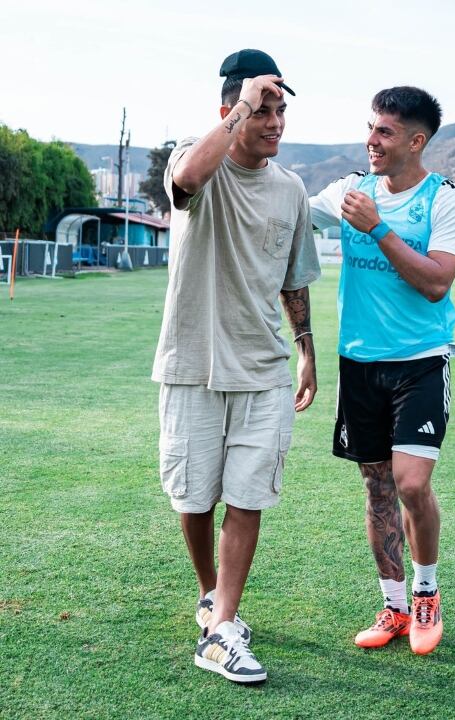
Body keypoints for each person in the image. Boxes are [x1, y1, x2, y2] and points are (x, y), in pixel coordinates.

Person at [157, 49, 320, 684]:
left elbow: (293, 279)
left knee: (248, 497)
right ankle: (211, 596)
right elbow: (188, 183)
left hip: (264, 370)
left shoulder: (292, 190)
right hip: (192, 364)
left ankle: (222, 623)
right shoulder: (195, 158)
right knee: (194, 496)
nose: (275, 123)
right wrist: (243, 100)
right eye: (264, 110)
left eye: (281, 111)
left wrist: (306, 351)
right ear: (232, 111)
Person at [309, 86, 455, 655]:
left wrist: (377, 227)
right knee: (377, 487)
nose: (371, 141)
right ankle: (394, 606)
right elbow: (286, 208)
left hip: (421, 363)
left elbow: (435, 284)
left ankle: (426, 594)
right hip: (358, 365)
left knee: (411, 483)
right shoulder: (350, 190)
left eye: (384, 132)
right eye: (371, 128)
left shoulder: (445, 199)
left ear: (416, 141)